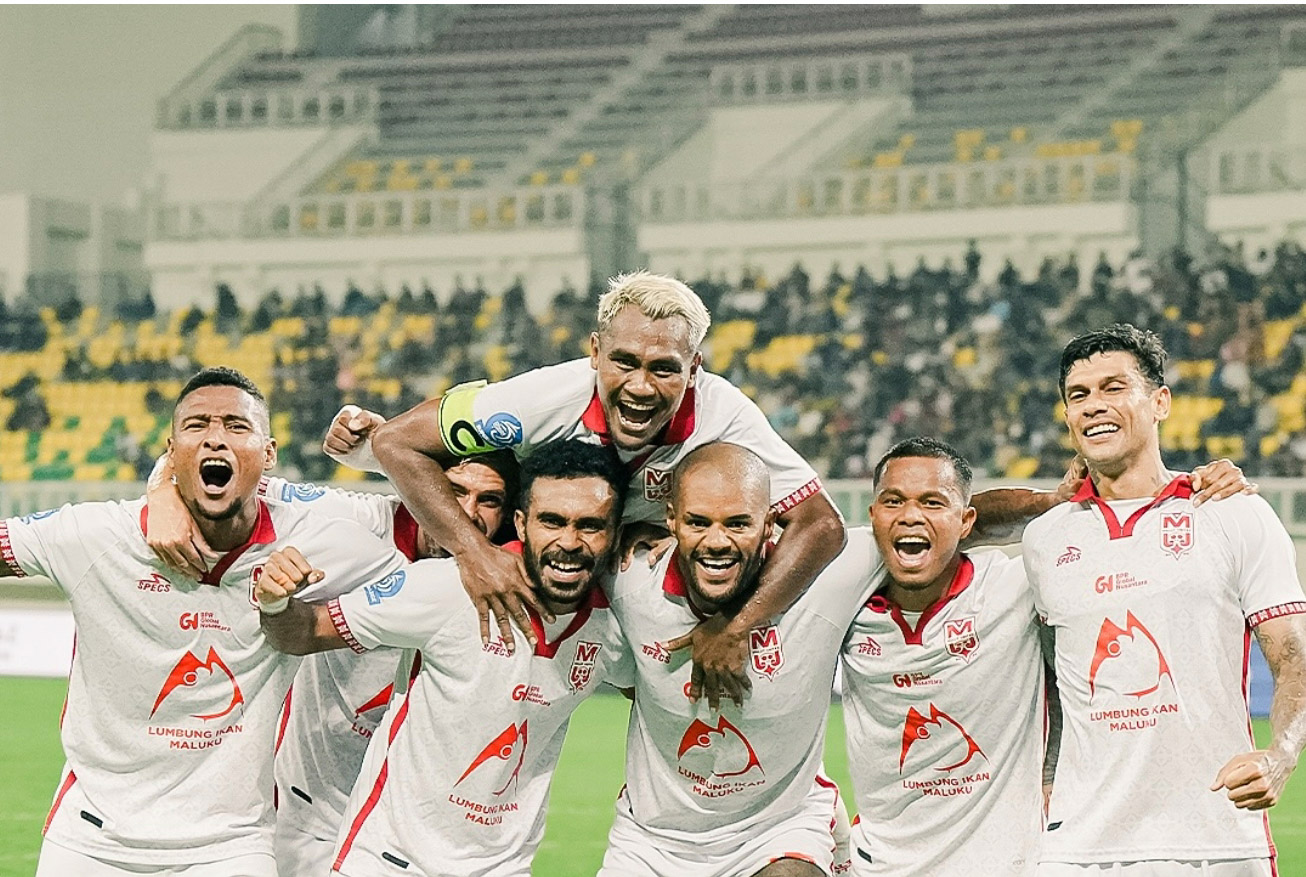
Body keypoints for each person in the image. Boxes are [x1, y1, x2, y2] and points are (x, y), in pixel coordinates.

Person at [0, 367, 405, 877]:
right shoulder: (100, 535)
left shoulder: (319, 532)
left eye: (237, 426)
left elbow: (443, 526)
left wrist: (382, 455)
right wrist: (159, 493)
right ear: (171, 453)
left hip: (231, 845)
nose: (216, 437)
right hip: (91, 838)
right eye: (197, 426)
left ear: (269, 454)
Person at [252, 439, 633, 877]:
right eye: (552, 521)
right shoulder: (438, 582)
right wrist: (274, 601)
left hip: (505, 867)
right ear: (523, 523)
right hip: (381, 856)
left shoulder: (613, 628)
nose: (569, 540)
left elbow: (655, 686)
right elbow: (305, 630)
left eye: (590, 526)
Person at [1022, 324, 1306, 876]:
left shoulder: (1233, 512)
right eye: (1078, 395)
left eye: (1114, 387)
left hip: (1217, 841)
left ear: (1160, 403)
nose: (1093, 405)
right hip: (1078, 848)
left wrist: (1281, 755)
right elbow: (1054, 680)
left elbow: (1294, 657)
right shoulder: (1044, 539)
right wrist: (1049, 778)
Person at [599, 442, 881, 877]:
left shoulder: (826, 578)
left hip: (778, 828)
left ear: (769, 524)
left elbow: (947, 527)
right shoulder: (627, 579)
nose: (717, 542)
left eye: (738, 523)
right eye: (697, 522)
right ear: (670, 519)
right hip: (654, 839)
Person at [263, 454, 518, 877]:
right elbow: (234, 483)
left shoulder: (507, 576)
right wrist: (163, 491)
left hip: (409, 839)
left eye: (488, 500)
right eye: (453, 491)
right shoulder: (360, 522)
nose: (466, 513)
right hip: (308, 819)